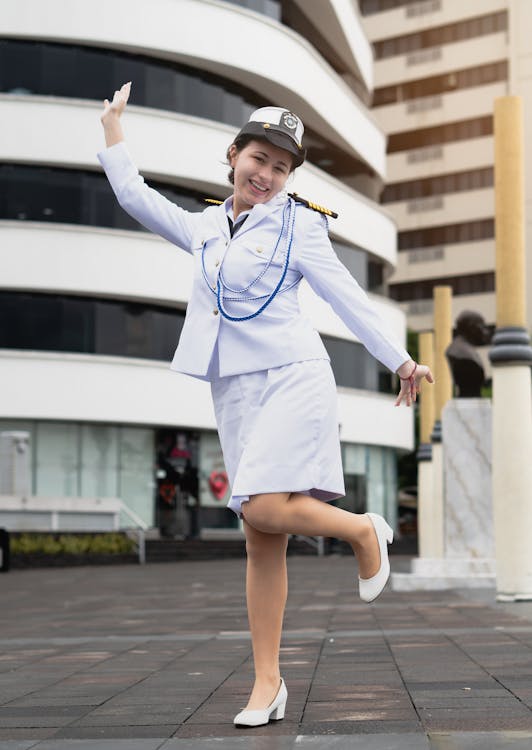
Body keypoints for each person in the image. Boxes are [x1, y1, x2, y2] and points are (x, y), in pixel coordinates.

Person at [98, 82, 434, 728]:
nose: (269, 174)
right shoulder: (204, 228)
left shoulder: (299, 225)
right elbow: (134, 196)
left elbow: (344, 296)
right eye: (261, 160)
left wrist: (399, 358)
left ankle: (365, 530)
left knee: (260, 505)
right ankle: (267, 682)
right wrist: (113, 128)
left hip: (294, 376)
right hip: (237, 392)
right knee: (261, 539)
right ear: (233, 155)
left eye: (282, 167)